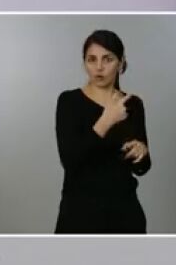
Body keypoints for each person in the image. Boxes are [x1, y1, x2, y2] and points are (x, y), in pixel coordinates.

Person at [53, 29, 151, 234]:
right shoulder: (69, 101)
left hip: (125, 214)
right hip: (80, 214)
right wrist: (107, 120)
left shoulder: (133, 104)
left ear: (121, 63)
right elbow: (70, 160)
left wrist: (141, 152)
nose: (99, 67)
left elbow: (142, 168)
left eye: (108, 59)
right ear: (84, 63)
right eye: (92, 59)